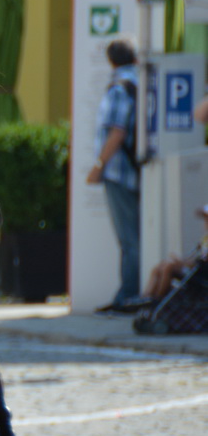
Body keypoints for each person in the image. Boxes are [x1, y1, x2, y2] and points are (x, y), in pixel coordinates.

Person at [85, 39, 142, 312]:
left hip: (120, 172)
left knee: (129, 238)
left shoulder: (119, 87)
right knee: (134, 236)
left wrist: (99, 165)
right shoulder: (139, 82)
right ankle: (131, 292)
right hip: (137, 169)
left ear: (111, 60)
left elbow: (116, 131)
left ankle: (128, 295)